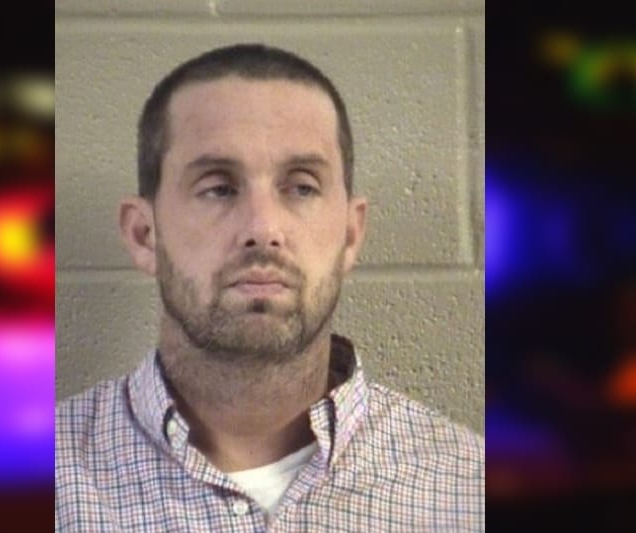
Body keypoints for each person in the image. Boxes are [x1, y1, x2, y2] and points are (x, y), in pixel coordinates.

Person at [55, 43, 484, 532]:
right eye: (218, 187)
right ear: (143, 234)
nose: (263, 228)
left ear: (350, 234)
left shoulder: (468, 493)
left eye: (301, 186)